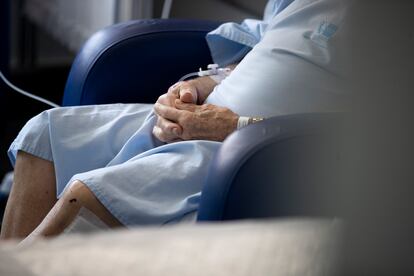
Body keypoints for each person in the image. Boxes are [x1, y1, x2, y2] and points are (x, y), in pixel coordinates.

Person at [1, 0, 350, 242]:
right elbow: (260, 49)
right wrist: (194, 88)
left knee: (89, 195)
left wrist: (236, 127)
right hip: (206, 116)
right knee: (44, 135)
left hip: (259, 146)